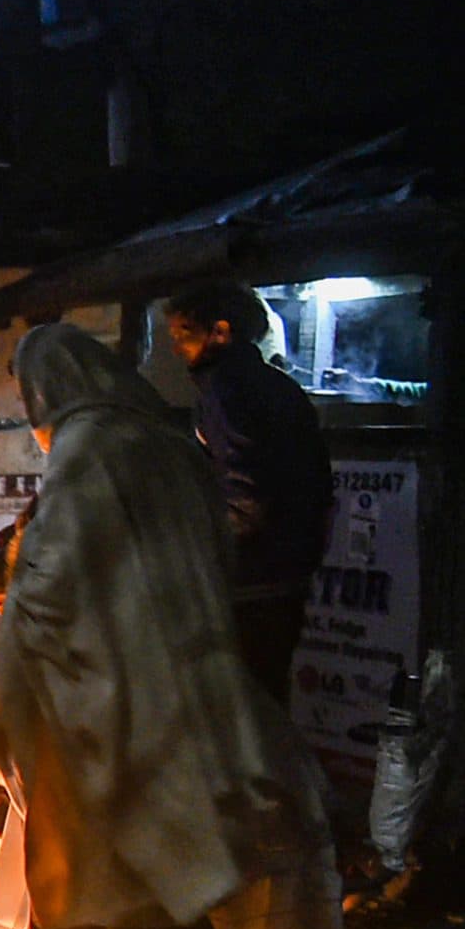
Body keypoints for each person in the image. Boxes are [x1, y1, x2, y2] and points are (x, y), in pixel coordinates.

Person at [0, 322, 323, 929]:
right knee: (75, 873)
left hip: (111, 713)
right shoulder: (170, 447)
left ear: (50, 387)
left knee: (145, 907)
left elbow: (52, 585)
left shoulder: (88, 450)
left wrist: (11, 586)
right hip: (179, 693)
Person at [162, 281, 334, 702]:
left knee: (240, 711)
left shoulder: (227, 391)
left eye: (185, 333)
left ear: (220, 331)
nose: (176, 348)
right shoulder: (277, 386)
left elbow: (245, 500)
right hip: (285, 578)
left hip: (250, 584)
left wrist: (195, 552)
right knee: (266, 702)